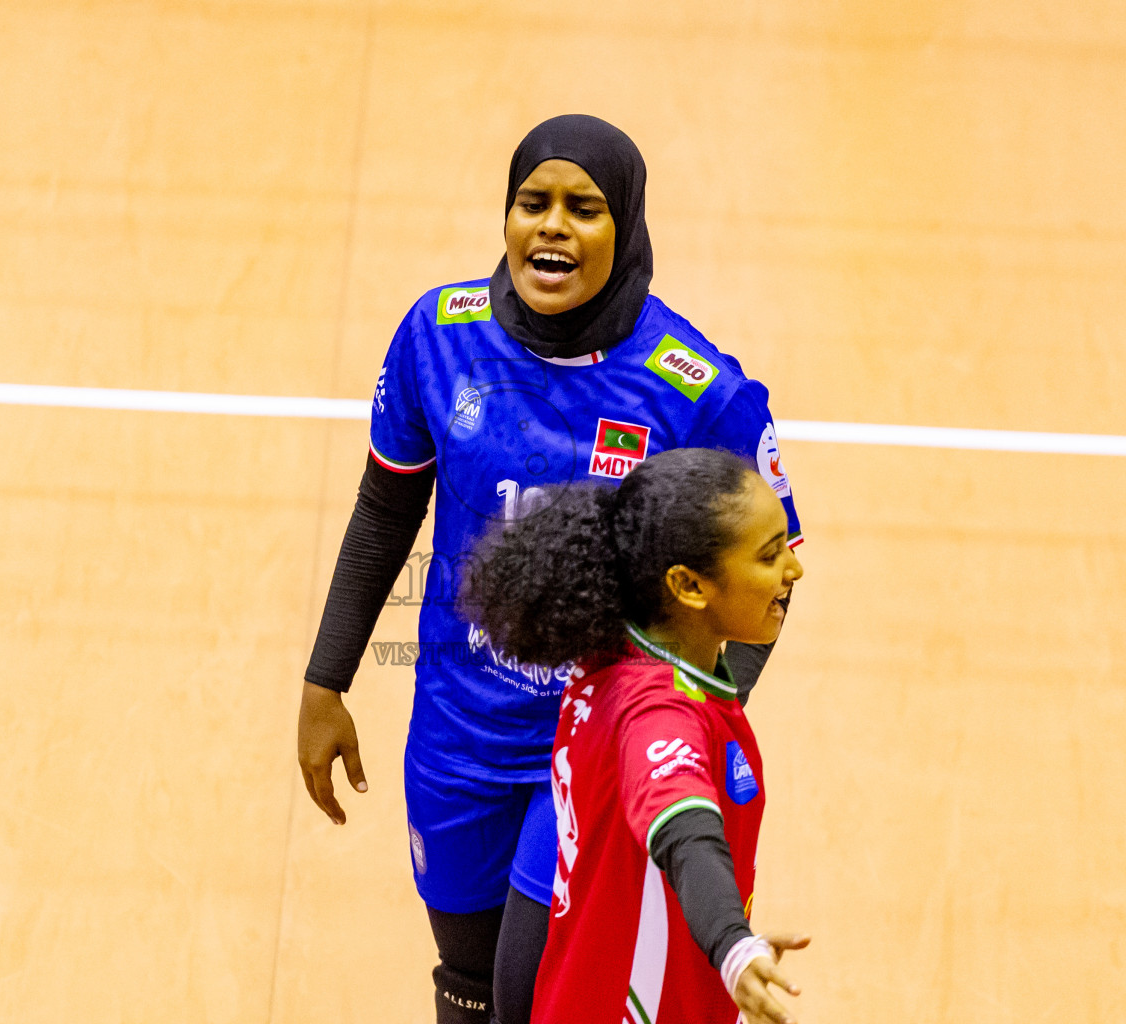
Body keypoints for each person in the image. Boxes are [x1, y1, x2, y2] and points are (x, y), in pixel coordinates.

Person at [297, 114, 805, 1024]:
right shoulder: (436, 335)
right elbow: (384, 509)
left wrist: (683, 725)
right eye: (533, 203)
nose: (553, 226)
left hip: (588, 744)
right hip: (455, 733)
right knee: (463, 973)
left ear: (630, 229)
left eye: (585, 208)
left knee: (529, 994)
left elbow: (766, 571)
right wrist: (325, 681)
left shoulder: (699, 390)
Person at [461, 447, 809, 1024]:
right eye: (770, 556)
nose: (794, 571)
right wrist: (731, 943)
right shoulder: (656, 713)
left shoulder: (614, 656)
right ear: (689, 585)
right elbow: (683, 828)